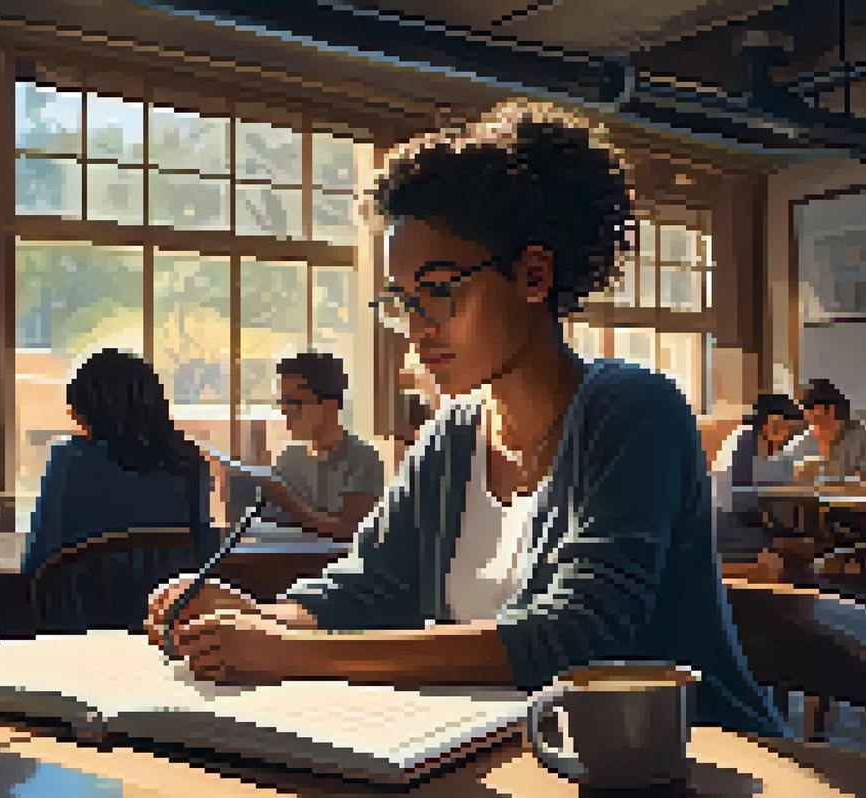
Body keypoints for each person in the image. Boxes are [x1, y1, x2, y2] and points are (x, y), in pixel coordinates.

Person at [146, 101, 788, 739]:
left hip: (686, 763)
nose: (418, 329)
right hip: (523, 760)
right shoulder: (455, 430)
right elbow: (375, 582)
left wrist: (288, 653)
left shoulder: (634, 411)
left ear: (533, 274)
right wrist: (267, 619)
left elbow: (579, 638)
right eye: (403, 301)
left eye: (440, 290)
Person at [21, 349, 211, 575]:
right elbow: (205, 555)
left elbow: (38, 558)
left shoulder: (68, 460)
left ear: (86, 410)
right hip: (168, 605)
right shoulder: (186, 460)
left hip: (79, 607)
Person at [240, 352, 384, 543]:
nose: (284, 410)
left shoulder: (362, 460)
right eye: (282, 402)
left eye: (294, 402)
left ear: (330, 406)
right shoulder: (290, 457)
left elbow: (352, 532)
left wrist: (291, 505)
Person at [774, 379, 866, 487]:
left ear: (829, 409)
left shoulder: (860, 438)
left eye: (808, 407)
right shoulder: (805, 440)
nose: (805, 414)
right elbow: (782, 470)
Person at [709, 393, 802, 513]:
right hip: (732, 516)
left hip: (747, 511)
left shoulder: (764, 442)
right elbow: (741, 490)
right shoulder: (744, 441)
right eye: (788, 428)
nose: (789, 435)